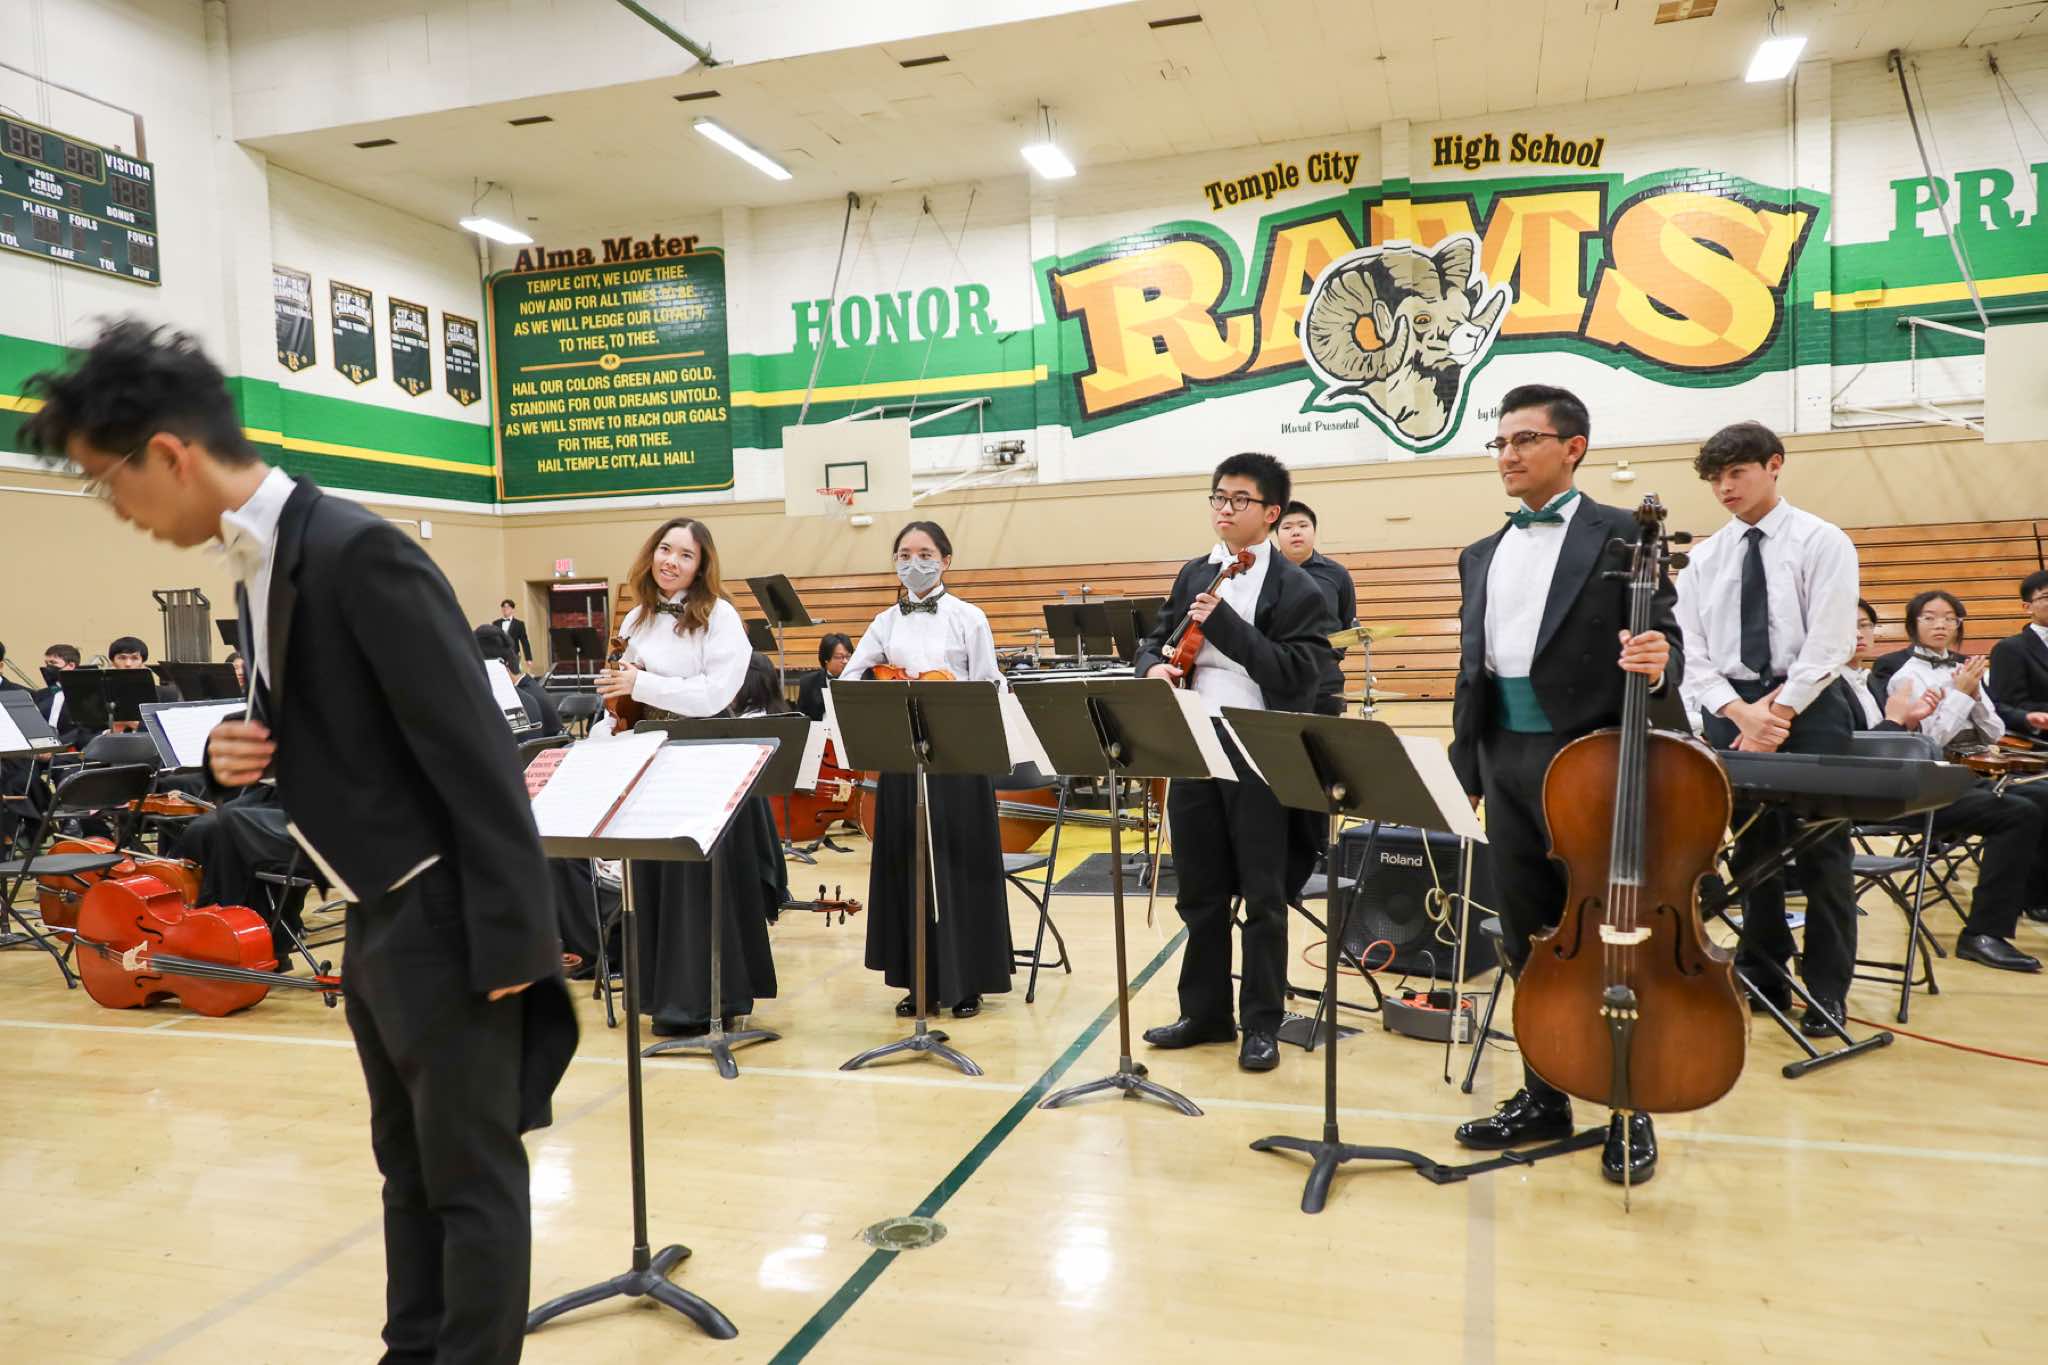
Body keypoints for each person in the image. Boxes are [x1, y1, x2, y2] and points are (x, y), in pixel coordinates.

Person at [22, 319, 575, 1365]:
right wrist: (239, 750)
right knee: (406, 1170)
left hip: (448, 915)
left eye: (108, 482)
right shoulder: (266, 560)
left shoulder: (359, 550)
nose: (117, 510)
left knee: (471, 1180)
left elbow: (478, 755)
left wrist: (516, 939)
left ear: (170, 455)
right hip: (377, 913)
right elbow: (347, 730)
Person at [1445, 385, 1680, 1185]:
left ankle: (1628, 1104)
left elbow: (1667, 641)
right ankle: (1544, 1092)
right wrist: (1467, 768)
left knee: (1612, 939)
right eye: (1500, 441)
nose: (1507, 454)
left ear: (1573, 447)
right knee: (1526, 937)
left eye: (1525, 439)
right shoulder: (1479, 552)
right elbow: (1473, 672)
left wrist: (1660, 661)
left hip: (1591, 762)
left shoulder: (1623, 534)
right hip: (1502, 758)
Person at [1133, 453, 1334, 1073]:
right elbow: (1155, 639)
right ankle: (1206, 1013)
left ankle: (1263, 1024)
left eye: (1239, 499)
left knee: (1264, 898)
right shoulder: (1196, 572)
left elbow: (1299, 676)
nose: (1224, 508)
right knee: (1200, 891)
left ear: (1271, 513)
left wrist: (1226, 626)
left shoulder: (1298, 589)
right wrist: (1152, 669)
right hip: (1195, 743)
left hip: (1260, 750)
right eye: (1218, 496)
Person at [1675, 420, 1861, 1036]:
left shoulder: (1821, 540)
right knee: (1752, 852)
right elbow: (1692, 652)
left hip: (1810, 708)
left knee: (1823, 852)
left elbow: (1831, 641)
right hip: (1732, 711)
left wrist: (1777, 714)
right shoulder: (1703, 558)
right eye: (1715, 479)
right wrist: (1738, 713)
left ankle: (1827, 989)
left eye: (1737, 473)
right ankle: (1763, 973)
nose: (1725, 488)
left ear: (1774, 465)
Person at [593, 516, 780, 1035]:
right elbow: (623, 693)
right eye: (665, 549)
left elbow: (714, 695)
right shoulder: (637, 618)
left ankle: (714, 1000)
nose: (671, 561)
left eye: (685, 555)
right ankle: (667, 1000)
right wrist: (609, 719)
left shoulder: (720, 616)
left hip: (701, 762)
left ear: (702, 566)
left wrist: (641, 683)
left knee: (699, 884)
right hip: (648, 759)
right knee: (656, 881)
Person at [841, 520, 1014, 1018]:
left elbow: (989, 682)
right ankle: (917, 979)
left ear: (945, 561)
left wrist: (950, 690)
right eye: (904, 554)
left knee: (959, 867)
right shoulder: (884, 622)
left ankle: (967, 981)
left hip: (958, 761)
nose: (913, 562)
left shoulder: (969, 617)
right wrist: (888, 679)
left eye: (924, 554)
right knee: (909, 867)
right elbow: (851, 677)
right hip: (903, 760)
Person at [1842, 599, 2044, 971]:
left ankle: (2029, 896)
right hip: (1891, 791)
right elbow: (1913, 745)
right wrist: (1955, 697)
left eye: (1866, 625)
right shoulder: (1895, 676)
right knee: (2018, 812)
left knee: (2040, 796)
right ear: (1912, 624)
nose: (1859, 633)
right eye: (1931, 618)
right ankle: (1984, 932)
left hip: (1930, 775)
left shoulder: (1865, 679)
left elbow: (1992, 732)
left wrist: (1972, 696)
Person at [1274, 501, 1355, 716]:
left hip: (1325, 676)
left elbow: (1347, 622)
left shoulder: (1337, 574)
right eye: (1287, 527)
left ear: (1314, 531)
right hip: (1277, 674)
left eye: (1303, 525)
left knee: (1325, 736)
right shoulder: (1263, 573)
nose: (1296, 532)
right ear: (1276, 534)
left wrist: (1331, 657)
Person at [1987, 569, 2048, 745]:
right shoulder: (2009, 649)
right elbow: (2007, 706)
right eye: (2046, 596)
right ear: (2027, 607)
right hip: (2039, 744)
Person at [796, 632, 853, 722]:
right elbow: (801, 718)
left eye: (848, 656)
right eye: (840, 657)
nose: (845, 661)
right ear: (826, 658)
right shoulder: (808, 683)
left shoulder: (859, 681)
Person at [490, 598, 534, 666]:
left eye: (507, 607)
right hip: (499, 656)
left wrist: (528, 659)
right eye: (503, 607)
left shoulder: (519, 624)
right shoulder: (495, 623)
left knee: (514, 672)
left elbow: (524, 641)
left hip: (514, 654)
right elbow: (492, 641)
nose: (505, 609)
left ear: (512, 609)